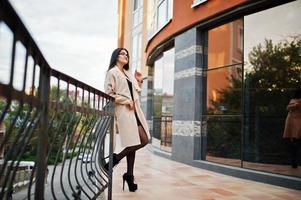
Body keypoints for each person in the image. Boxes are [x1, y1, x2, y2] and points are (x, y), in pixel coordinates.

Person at [103, 48, 150, 192]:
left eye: (127, 54)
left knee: (137, 140)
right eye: (123, 53)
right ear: (116, 56)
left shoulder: (128, 74)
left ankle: (127, 172)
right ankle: (116, 160)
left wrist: (139, 81)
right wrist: (124, 101)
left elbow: (135, 92)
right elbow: (108, 94)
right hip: (125, 111)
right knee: (142, 140)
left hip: (135, 111)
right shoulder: (112, 73)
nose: (126, 56)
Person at [283, 89, 301, 168]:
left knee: (296, 141)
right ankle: (293, 161)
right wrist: (295, 104)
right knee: (293, 142)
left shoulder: (296, 101)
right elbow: (288, 108)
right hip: (291, 121)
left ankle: (294, 161)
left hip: (297, 121)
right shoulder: (294, 100)